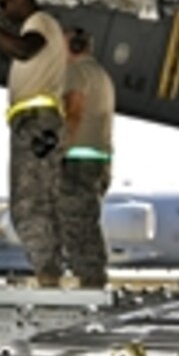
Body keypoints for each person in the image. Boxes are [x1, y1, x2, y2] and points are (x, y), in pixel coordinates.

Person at [0, 0, 68, 287]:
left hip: (34, 123)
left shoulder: (39, 23)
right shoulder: (44, 27)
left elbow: (23, 49)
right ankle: (51, 273)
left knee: (28, 204)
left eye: (4, 3)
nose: (2, 11)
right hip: (41, 122)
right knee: (46, 201)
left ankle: (47, 276)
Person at [60, 27, 113, 288]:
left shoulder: (75, 71)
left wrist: (60, 146)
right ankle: (94, 277)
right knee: (87, 219)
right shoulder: (101, 74)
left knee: (76, 222)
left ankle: (90, 281)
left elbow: (74, 110)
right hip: (99, 158)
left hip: (78, 158)